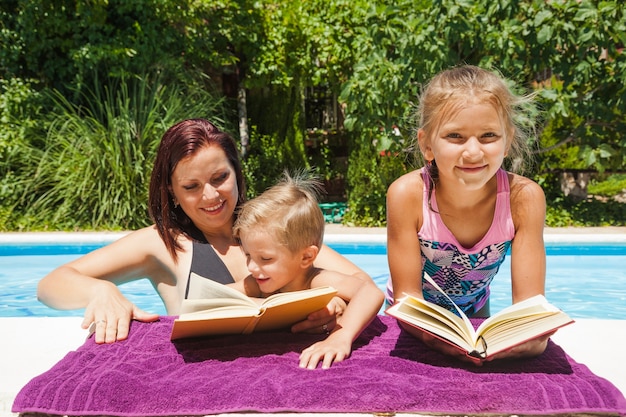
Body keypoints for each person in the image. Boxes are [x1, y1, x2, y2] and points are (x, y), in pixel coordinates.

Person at [37, 118, 372, 344]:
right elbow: (49, 286)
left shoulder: (276, 229)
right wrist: (100, 292)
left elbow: (363, 288)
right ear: (171, 190)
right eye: (191, 186)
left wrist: (333, 310)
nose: (211, 196)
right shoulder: (162, 243)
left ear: (236, 172)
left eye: (219, 178)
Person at [386, 65, 551, 363]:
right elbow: (407, 300)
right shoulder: (407, 195)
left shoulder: (523, 198)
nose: (473, 152)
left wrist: (532, 337)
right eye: (455, 136)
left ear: (508, 139)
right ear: (427, 145)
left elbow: (530, 306)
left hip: (475, 311)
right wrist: (438, 341)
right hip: (416, 319)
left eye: (488, 135)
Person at [231, 171, 384, 369]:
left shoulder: (316, 281)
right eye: (248, 255)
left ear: (306, 257)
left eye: (265, 259)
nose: (251, 267)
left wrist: (340, 337)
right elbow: (218, 296)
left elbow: (371, 292)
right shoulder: (258, 282)